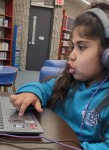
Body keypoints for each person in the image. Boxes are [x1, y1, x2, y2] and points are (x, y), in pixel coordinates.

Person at [10, 2, 109, 150]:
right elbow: (43, 87)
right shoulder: (69, 81)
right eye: (73, 46)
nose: (72, 55)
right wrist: (32, 92)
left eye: (81, 47)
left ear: (106, 55)